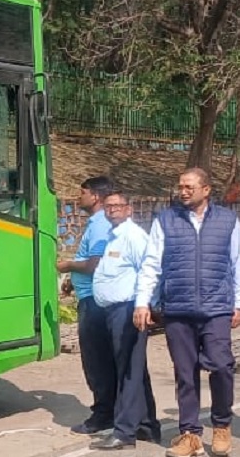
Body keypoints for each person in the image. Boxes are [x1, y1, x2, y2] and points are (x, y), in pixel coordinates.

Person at [134, 168, 240, 457]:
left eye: (189, 186)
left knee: (221, 366)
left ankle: (221, 425)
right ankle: (190, 434)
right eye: (180, 186)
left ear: (206, 190)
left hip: (217, 308)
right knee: (185, 373)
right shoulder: (165, 220)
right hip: (178, 308)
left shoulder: (227, 221)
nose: (183, 191)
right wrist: (142, 302)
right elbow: (151, 264)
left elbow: (238, 263)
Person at [89, 191, 161, 450]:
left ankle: (125, 431)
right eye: (108, 207)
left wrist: (145, 305)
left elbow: (151, 269)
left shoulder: (133, 236)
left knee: (129, 371)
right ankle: (147, 425)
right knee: (133, 369)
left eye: (118, 206)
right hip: (113, 311)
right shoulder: (113, 236)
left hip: (129, 309)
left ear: (129, 209)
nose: (112, 210)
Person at [56, 175, 117, 435]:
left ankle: (104, 414)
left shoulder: (102, 223)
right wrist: (73, 278)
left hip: (95, 301)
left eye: (82, 193)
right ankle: (109, 410)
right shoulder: (96, 223)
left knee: (97, 361)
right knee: (99, 359)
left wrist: (67, 266)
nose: (78, 197)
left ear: (96, 197)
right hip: (89, 296)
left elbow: (95, 264)